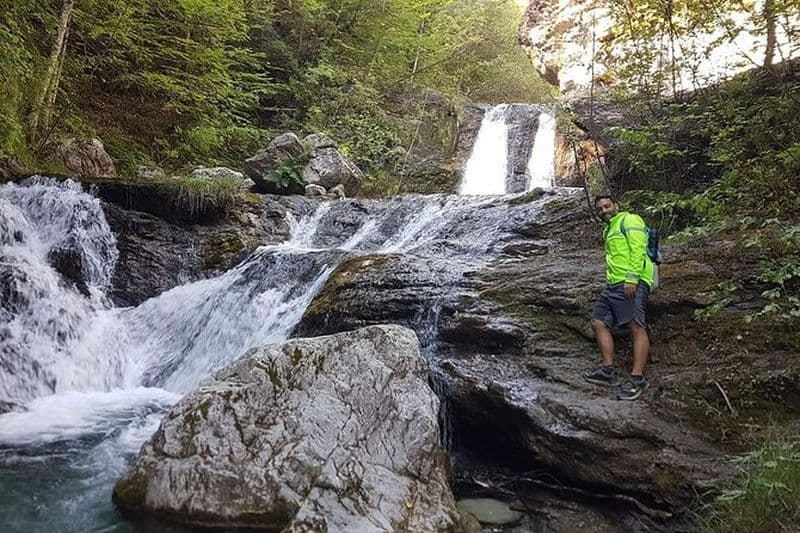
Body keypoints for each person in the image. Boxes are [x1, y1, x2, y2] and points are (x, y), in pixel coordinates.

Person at [582, 195, 655, 401]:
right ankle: (608, 370)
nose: (604, 210)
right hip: (613, 284)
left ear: (616, 205)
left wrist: (632, 278)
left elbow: (638, 248)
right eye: (600, 209)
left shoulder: (629, 220)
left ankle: (638, 378)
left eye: (607, 206)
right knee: (598, 321)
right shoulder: (609, 229)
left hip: (631, 281)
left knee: (636, 327)